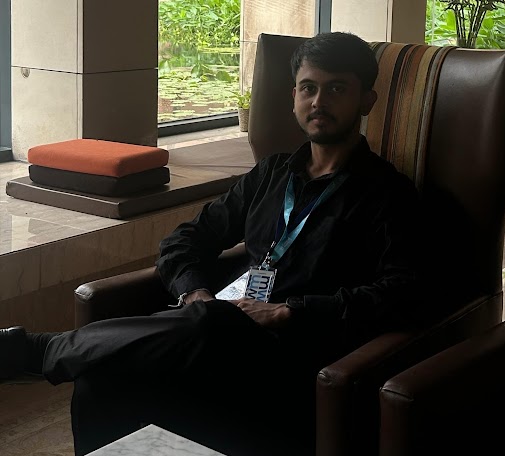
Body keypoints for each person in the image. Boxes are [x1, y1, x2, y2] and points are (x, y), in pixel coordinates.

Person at [0, 32, 420, 456]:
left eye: (337, 89)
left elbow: (402, 293)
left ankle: (38, 350)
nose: (319, 101)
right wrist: (194, 295)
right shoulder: (271, 174)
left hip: (299, 357)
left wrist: (289, 310)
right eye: (308, 88)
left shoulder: (389, 194)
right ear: (293, 96)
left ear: (366, 101)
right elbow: (184, 240)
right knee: (102, 375)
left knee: (211, 323)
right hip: (219, 341)